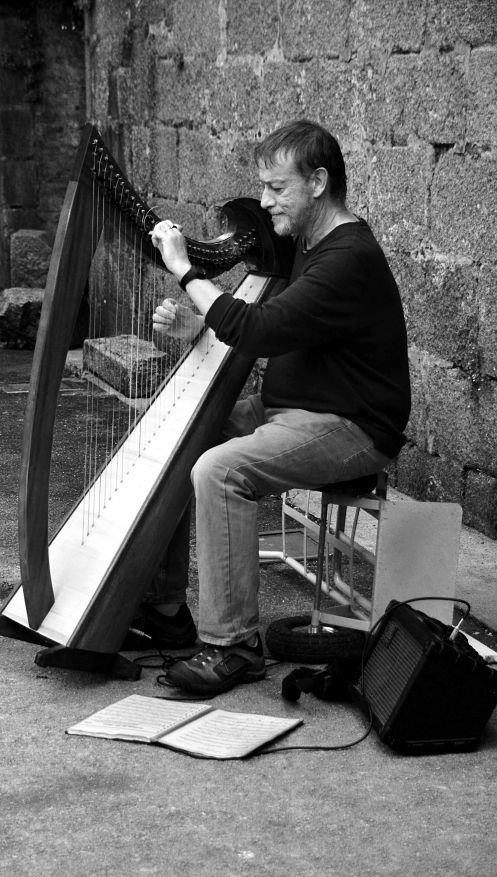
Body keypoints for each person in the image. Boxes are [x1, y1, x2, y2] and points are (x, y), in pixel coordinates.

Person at [129, 119, 411, 697]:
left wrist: (186, 270)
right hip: (287, 410)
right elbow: (267, 333)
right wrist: (195, 327)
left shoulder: (349, 257)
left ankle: (233, 646)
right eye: (263, 188)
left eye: (276, 189)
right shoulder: (306, 249)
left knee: (220, 469)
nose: (263, 202)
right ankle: (163, 608)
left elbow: (254, 329)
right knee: (178, 430)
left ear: (318, 182)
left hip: (350, 426)